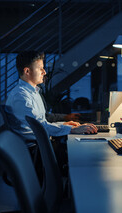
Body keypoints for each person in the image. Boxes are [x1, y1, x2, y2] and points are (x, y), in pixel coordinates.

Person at [5, 51, 97, 179]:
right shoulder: (21, 97)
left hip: (40, 146)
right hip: (36, 151)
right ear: (27, 71)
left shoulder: (33, 92)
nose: (45, 72)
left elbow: (42, 121)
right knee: (85, 157)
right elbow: (41, 127)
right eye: (41, 69)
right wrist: (73, 129)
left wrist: (64, 124)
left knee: (84, 152)